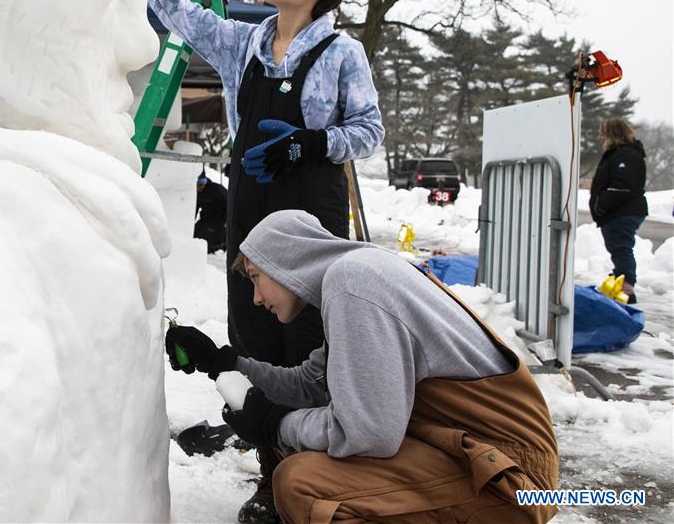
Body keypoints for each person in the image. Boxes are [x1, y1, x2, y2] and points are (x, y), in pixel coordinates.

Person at [123, 0, 384, 521]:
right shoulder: (244, 43)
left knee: (311, 349)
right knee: (255, 338)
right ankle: (272, 477)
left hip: (311, 221)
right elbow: (178, 11)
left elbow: (370, 132)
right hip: (249, 212)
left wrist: (308, 144)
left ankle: (317, 476)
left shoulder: (342, 53)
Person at [165, 210, 560, 524]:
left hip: (511, 475)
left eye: (256, 277)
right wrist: (221, 362)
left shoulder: (353, 283)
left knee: (305, 483)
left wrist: (274, 426)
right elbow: (309, 384)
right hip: (472, 454)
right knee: (306, 458)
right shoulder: (356, 276)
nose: (255, 298)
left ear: (282, 259)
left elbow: (367, 434)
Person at [589, 118, 648, 304]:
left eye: (603, 133)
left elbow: (622, 185)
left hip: (622, 212)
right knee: (618, 248)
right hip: (618, 212)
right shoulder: (621, 153)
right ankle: (621, 280)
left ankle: (626, 288)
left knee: (621, 248)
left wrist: (602, 204)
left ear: (613, 134)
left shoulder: (626, 154)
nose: (601, 137)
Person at [195, 171, 228, 253]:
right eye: (197, 185)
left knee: (211, 233)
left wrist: (228, 221)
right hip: (206, 218)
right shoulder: (197, 193)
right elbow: (195, 207)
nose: (199, 187)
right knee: (196, 232)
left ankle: (221, 246)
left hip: (220, 218)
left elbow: (229, 204)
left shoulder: (217, 189)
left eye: (201, 184)